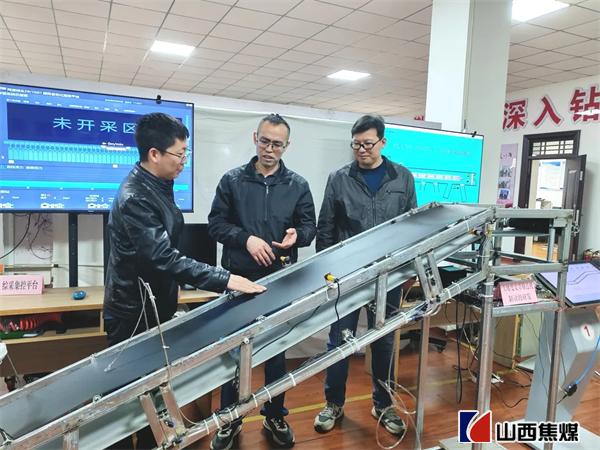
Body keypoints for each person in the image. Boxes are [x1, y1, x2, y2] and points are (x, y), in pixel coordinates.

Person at [104, 112, 265, 449]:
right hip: (134, 315)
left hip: (154, 307)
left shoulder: (157, 186)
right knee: (127, 411)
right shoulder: (136, 197)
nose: (184, 161)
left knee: (152, 403)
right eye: (179, 154)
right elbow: (163, 257)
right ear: (154, 154)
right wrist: (225, 278)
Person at [208, 113, 317, 450]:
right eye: (265, 141)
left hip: (280, 281)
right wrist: (246, 239)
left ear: (287, 146)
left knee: (276, 354)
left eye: (277, 144)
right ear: (255, 138)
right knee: (234, 354)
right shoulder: (232, 180)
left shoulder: (297, 185)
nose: (270, 149)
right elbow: (216, 225)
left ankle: (274, 415)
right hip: (238, 280)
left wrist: (298, 236)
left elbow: (309, 228)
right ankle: (230, 419)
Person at [313, 114, 417, 438]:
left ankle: (383, 405)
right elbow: (326, 228)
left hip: (389, 275)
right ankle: (333, 404)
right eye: (356, 144)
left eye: (368, 144)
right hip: (347, 276)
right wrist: (328, 275)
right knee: (339, 342)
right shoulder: (339, 178)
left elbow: (413, 227)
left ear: (383, 142)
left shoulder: (402, 177)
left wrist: (409, 269)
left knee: (384, 341)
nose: (361, 150)